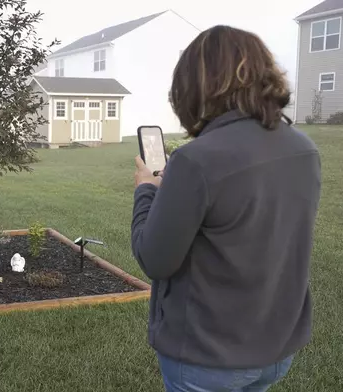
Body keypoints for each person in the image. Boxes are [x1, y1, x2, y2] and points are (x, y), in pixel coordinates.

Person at [131, 25, 321, 391]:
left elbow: (154, 259)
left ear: (196, 86)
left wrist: (146, 190)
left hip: (208, 358)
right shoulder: (304, 148)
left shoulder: (196, 160)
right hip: (276, 350)